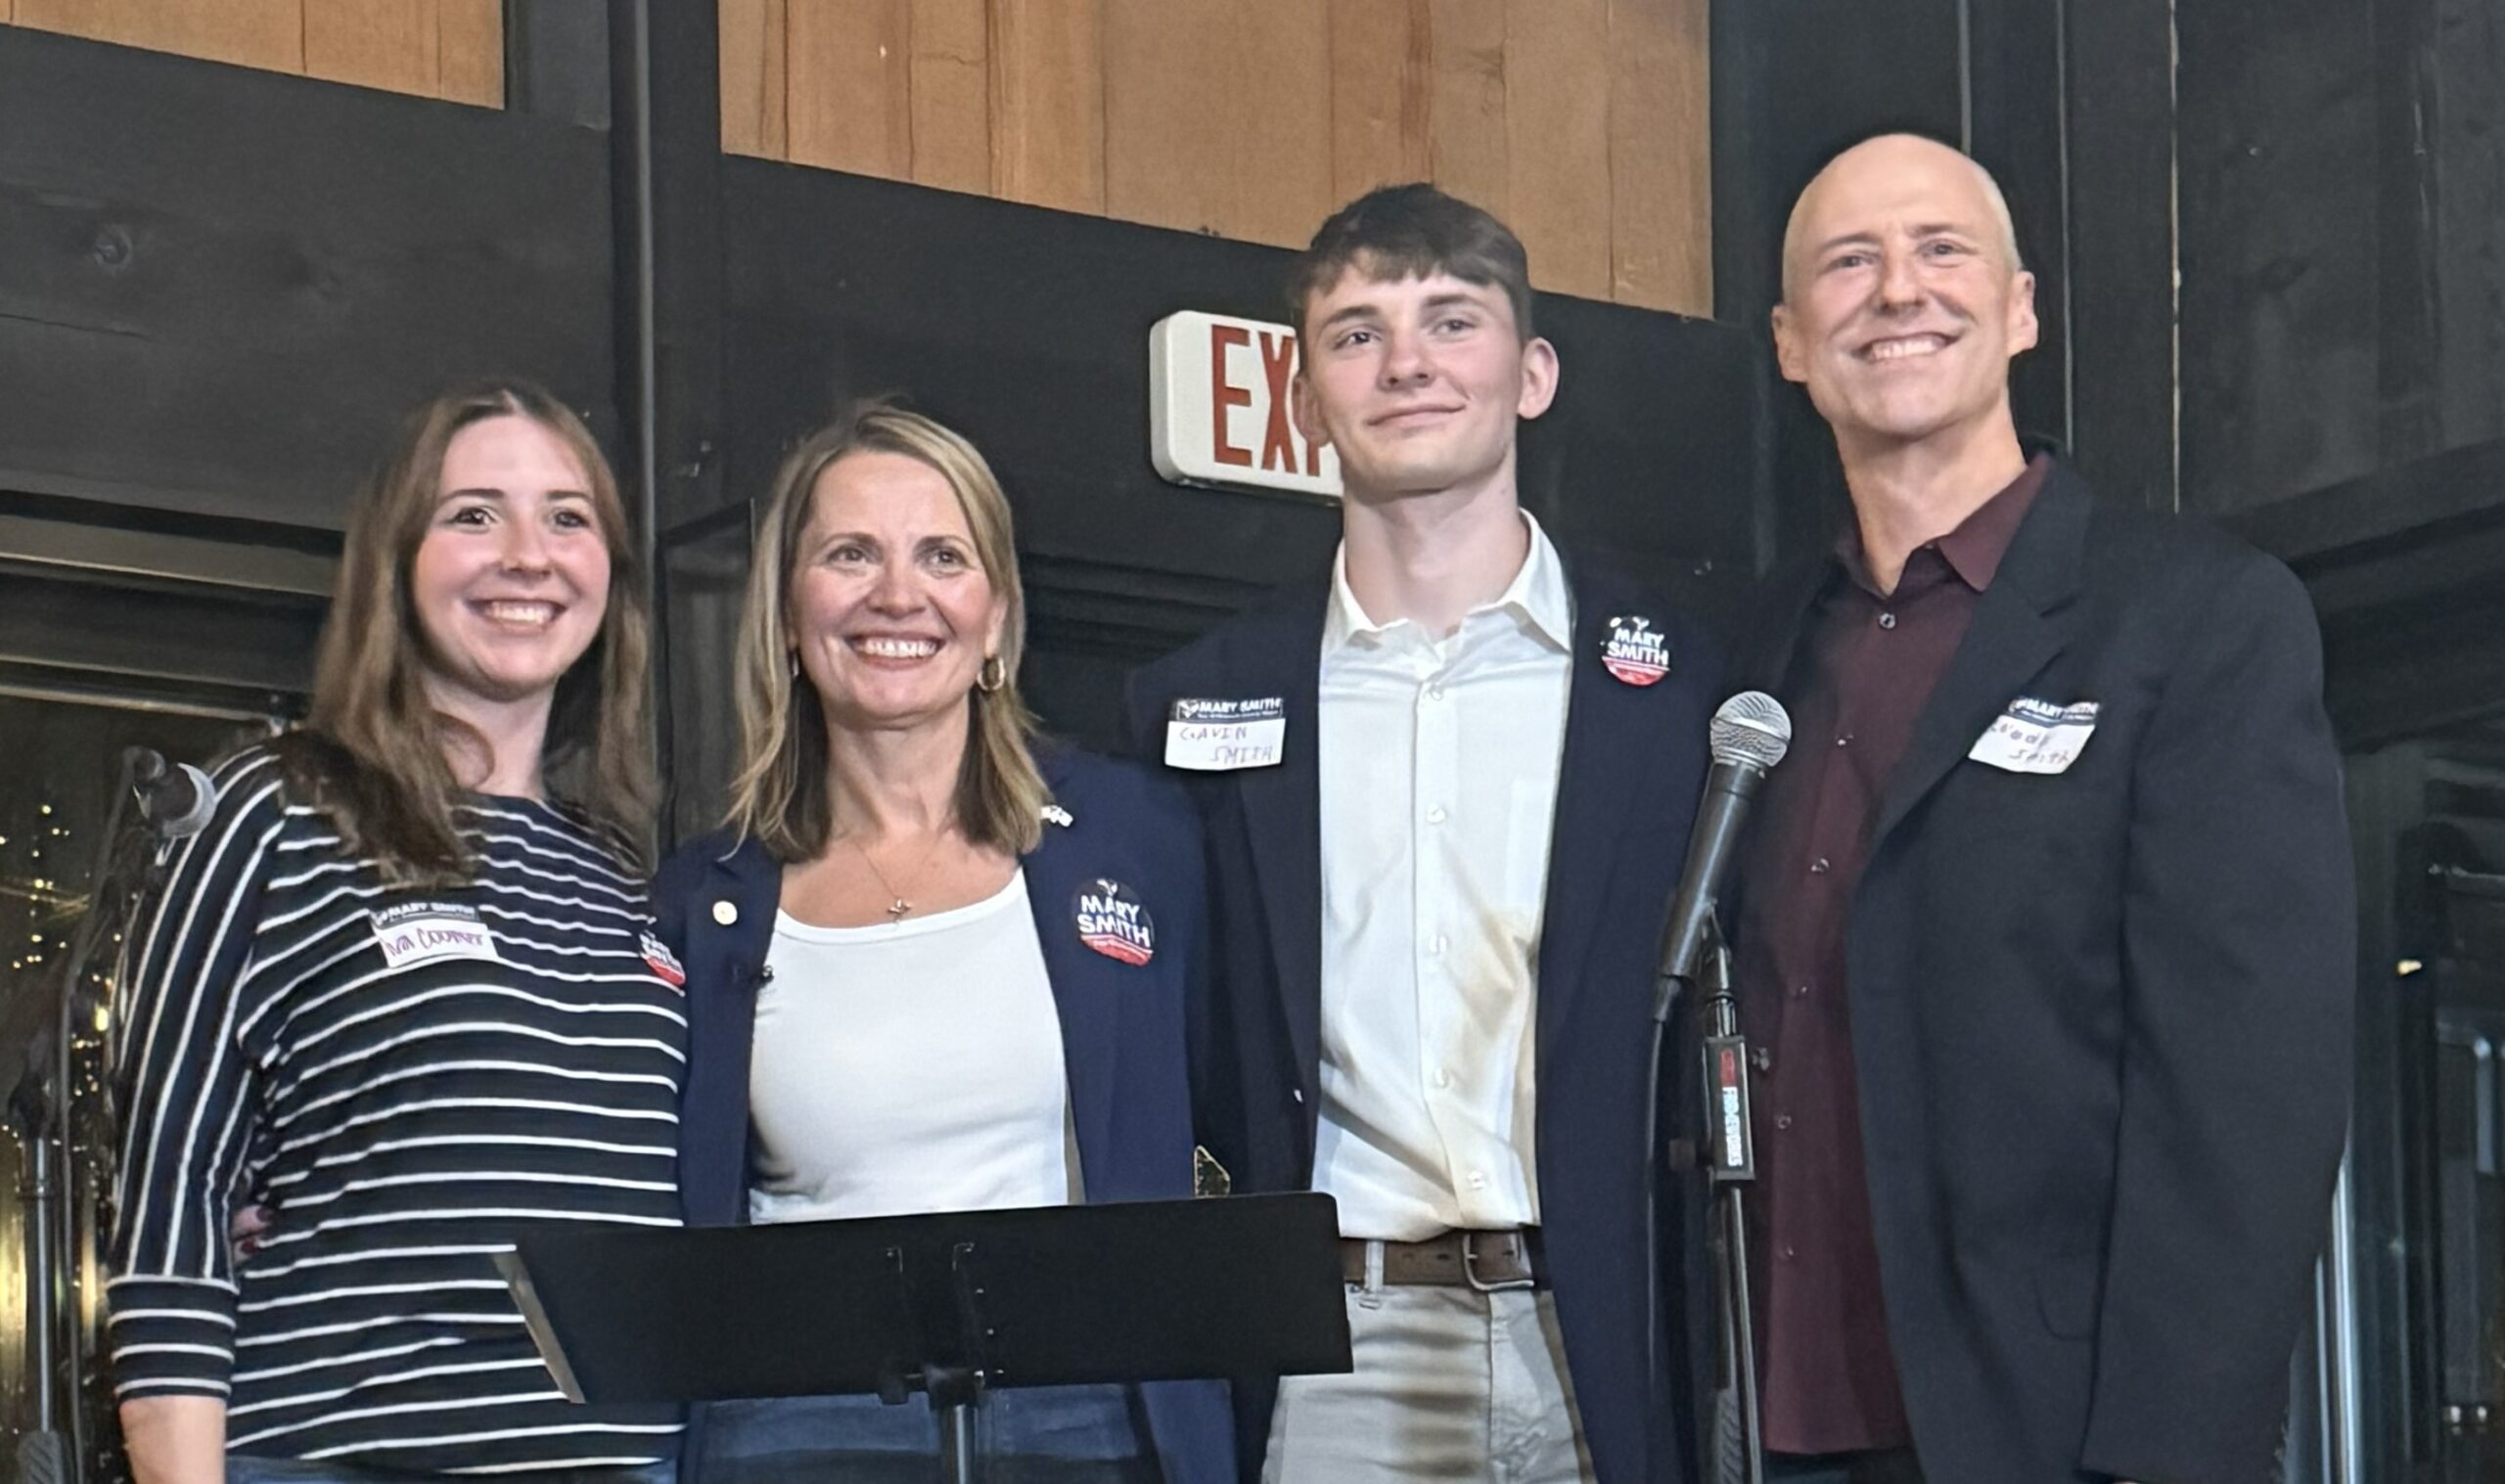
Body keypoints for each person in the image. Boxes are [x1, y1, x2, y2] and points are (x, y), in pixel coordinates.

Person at [1731, 131, 2354, 1484]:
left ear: (2021, 310)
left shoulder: (2192, 620)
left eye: (1941, 250)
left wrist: (2171, 1455)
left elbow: (2249, 1099)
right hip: (1763, 1430)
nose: (1899, 290)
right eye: (1849, 262)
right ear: (1789, 343)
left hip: (2052, 1435)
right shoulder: (1757, 647)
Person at [1124, 185, 1720, 1484]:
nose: (1406, 364)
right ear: (1302, 397)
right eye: (1357, 334)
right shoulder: (1195, 705)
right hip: (1336, 1343)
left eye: (1452, 320)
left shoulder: (1683, 691)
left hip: (1609, 1326)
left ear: (1533, 372)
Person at [108, 380, 685, 1482]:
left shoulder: (622, 873)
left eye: (567, 518)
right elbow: (171, 1196)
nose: (528, 555)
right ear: (397, 562)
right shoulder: (275, 812)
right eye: (474, 514)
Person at [654, 404, 1233, 1484]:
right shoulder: (703, 896)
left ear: (996, 618)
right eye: (849, 554)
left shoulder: (1136, 836)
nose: (896, 594)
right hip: (796, 1423)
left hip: (1088, 1416)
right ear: (787, 615)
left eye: (942, 556)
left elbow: (1228, 1094)